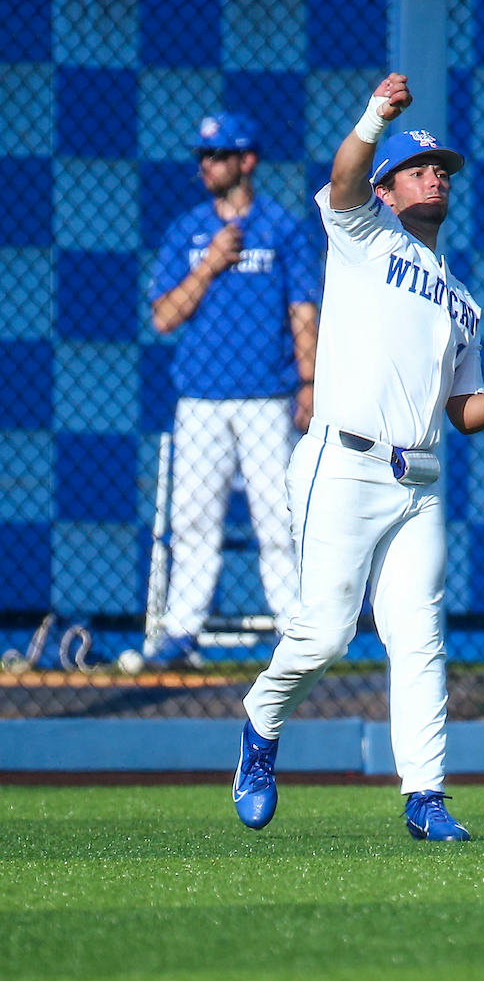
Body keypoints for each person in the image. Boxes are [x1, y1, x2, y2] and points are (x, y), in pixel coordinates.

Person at [232, 75, 484, 841]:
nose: (435, 177)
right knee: (324, 635)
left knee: (420, 638)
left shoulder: (464, 301)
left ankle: (426, 797)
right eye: (420, 170)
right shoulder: (364, 236)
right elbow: (345, 176)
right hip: (344, 464)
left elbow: (463, 415)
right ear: (388, 193)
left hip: (418, 481)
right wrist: (374, 116)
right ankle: (261, 725)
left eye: (443, 171)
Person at [146, 111, 319, 668]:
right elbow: (164, 318)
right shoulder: (188, 231)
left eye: (217, 156)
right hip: (199, 397)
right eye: (201, 156)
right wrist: (210, 265)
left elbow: (303, 309)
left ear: (247, 161)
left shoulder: (281, 227)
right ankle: (179, 634)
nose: (206, 165)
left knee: (279, 517)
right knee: (192, 518)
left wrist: (310, 381)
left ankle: (295, 633)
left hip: (268, 396)